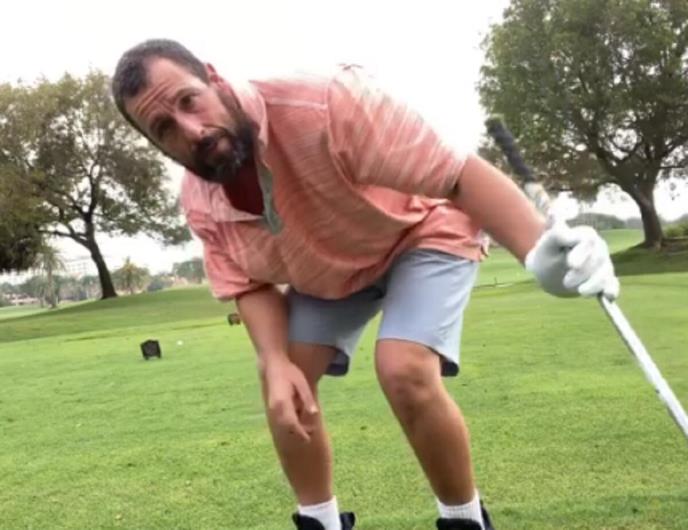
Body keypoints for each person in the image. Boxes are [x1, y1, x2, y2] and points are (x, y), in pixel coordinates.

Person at [112, 39, 619, 530]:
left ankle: (465, 522)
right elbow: (248, 284)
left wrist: (537, 251)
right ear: (155, 143)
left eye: (189, 100)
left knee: (403, 367)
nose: (192, 130)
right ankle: (320, 523)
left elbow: (458, 176)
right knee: (285, 385)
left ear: (214, 79)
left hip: (419, 231)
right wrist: (274, 361)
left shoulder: (323, 104)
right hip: (331, 275)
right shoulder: (201, 202)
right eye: (165, 127)